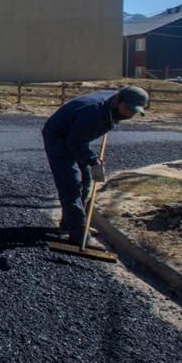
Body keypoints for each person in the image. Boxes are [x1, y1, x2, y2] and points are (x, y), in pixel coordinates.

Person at [42, 86, 149, 246]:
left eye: (134, 111)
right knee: (71, 184)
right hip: (58, 137)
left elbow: (80, 139)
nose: (129, 114)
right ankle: (79, 234)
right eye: (128, 109)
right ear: (117, 100)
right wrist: (92, 160)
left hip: (76, 136)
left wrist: (93, 161)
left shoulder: (113, 107)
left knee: (86, 182)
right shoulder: (93, 113)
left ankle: (72, 223)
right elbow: (74, 143)